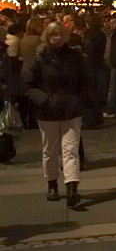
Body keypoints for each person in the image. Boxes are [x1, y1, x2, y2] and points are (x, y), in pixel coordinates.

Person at [25, 22, 90, 207]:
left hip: (71, 110)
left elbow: (85, 81)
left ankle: (72, 188)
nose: (58, 38)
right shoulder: (40, 59)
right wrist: (44, 100)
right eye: (54, 35)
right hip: (48, 111)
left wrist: (79, 100)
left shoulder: (74, 57)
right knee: (50, 150)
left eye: (61, 34)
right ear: (48, 36)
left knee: (70, 150)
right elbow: (30, 84)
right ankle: (52, 184)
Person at [80, 15, 106, 128]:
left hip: (91, 66)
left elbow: (89, 50)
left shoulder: (91, 34)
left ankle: (92, 119)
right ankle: (96, 118)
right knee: (94, 92)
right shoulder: (100, 33)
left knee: (90, 93)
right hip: (97, 64)